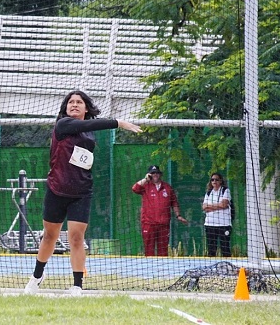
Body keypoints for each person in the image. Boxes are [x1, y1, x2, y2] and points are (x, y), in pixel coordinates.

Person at [24, 90, 142, 295]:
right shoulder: (63, 125)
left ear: (86, 108)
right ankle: (37, 277)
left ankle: (77, 285)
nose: (75, 105)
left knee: (77, 238)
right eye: (71, 102)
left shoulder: (88, 134)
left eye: (79, 102)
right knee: (49, 236)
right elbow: (86, 124)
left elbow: (86, 138)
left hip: (81, 192)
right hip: (57, 189)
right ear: (66, 107)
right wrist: (118, 122)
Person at [132, 165, 187, 256]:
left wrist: (178, 215)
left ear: (160, 174)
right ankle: (149, 269)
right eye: (153, 173)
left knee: (163, 250)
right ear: (149, 174)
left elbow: (174, 203)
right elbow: (134, 188)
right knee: (149, 250)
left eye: (157, 172)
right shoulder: (145, 186)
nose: (155, 175)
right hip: (149, 223)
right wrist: (146, 179)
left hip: (163, 224)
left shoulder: (167, 187)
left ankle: (163, 270)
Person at [202, 172, 231, 257]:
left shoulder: (225, 191)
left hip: (223, 224)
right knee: (211, 249)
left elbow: (224, 205)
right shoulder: (208, 193)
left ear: (221, 181)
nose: (214, 181)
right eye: (212, 180)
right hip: (210, 224)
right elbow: (204, 207)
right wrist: (219, 206)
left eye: (216, 179)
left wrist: (210, 206)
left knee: (225, 248)